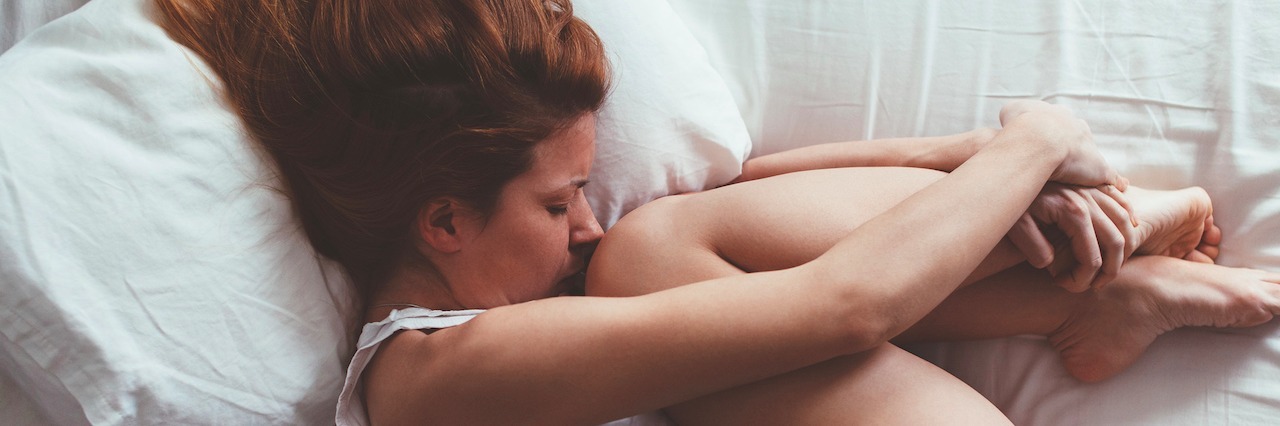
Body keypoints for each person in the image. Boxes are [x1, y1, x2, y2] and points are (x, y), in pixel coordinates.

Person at [153, 0, 1280, 424]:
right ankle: (1091, 270)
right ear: (441, 222)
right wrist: (1034, 136)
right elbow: (841, 309)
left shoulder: (503, 330)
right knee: (655, 252)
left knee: (661, 241)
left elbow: (738, 206)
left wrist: (960, 156)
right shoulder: (435, 378)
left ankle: (1101, 289)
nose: (581, 223)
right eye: (556, 202)